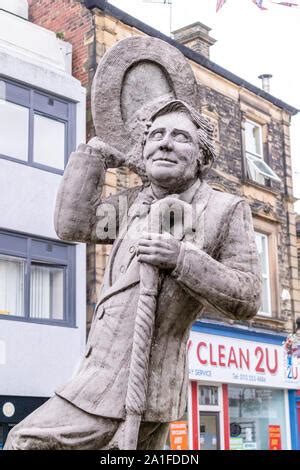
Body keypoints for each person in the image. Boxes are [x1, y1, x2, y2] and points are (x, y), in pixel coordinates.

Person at [4, 100, 261, 450]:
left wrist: (181, 259)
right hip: (101, 374)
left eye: (180, 136)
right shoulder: (132, 204)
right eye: (156, 135)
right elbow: (72, 224)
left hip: (140, 381)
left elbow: (247, 296)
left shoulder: (224, 210)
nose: (165, 142)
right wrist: (95, 155)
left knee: (26, 441)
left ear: (201, 157)